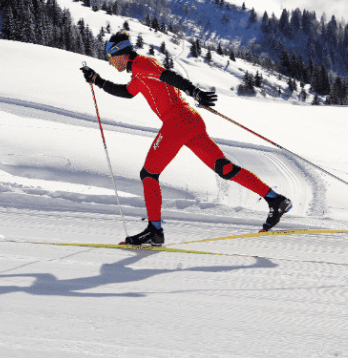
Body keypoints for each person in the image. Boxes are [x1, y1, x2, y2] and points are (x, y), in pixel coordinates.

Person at [81, 30, 292, 247]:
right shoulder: (138, 74)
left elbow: (169, 75)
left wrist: (195, 92)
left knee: (148, 174)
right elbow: (127, 92)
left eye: (110, 57)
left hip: (176, 123)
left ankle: (155, 229)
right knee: (224, 168)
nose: (110, 63)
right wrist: (97, 80)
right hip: (190, 120)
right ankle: (275, 199)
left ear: (121, 53)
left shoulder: (143, 64)